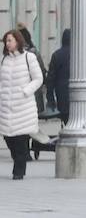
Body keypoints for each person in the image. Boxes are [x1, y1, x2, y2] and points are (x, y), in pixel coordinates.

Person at [0, 30, 44, 180]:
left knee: (20, 140)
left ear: (18, 41)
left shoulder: (28, 57)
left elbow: (38, 78)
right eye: (6, 41)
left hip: (23, 106)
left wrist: (25, 91)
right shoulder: (3, 60)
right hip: (6, 106)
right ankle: (18, 162)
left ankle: (18, 171)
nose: (7, 43)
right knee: (8, 137)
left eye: (10, 40)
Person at [46, 28, 70, 124]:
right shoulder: (79, 54)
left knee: (66, 118)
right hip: (77, 95)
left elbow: (51, 78)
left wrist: (50, 98)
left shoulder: (56, 55)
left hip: (62, 93)